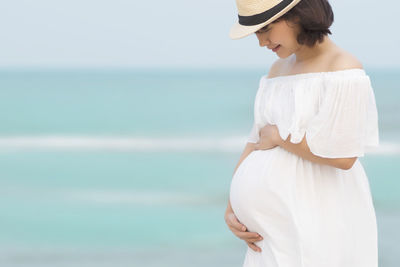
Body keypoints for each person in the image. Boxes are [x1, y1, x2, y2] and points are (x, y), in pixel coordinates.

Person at [224, 0, 380, 266]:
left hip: (317, 219)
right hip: (269, 235)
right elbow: (255, 141)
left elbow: (344, 157)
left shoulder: (343, 69)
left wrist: (279, 138)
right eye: (256, 34)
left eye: (266, 29)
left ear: (297, 15)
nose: (262, 42)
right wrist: (232, 208)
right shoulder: (277, 70)